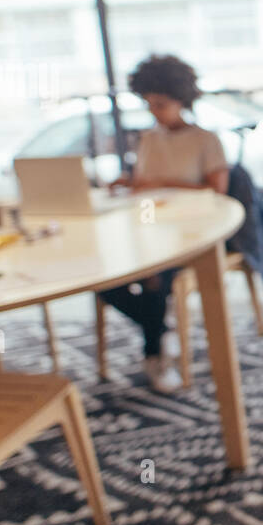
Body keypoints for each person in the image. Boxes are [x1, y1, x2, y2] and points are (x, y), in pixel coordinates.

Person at [101, 54, 228, 394]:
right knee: (106, 278)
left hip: (192, 232)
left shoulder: (206, 140)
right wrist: (127, 183)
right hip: (149, 224)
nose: (155, 111)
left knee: (153, 275)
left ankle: (155, 354)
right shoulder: (150, 138)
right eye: (149, 104)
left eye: (161, 104)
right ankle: (159, 328)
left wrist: (162, 184)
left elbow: (217, 192)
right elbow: (144, 183)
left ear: (181, 101)